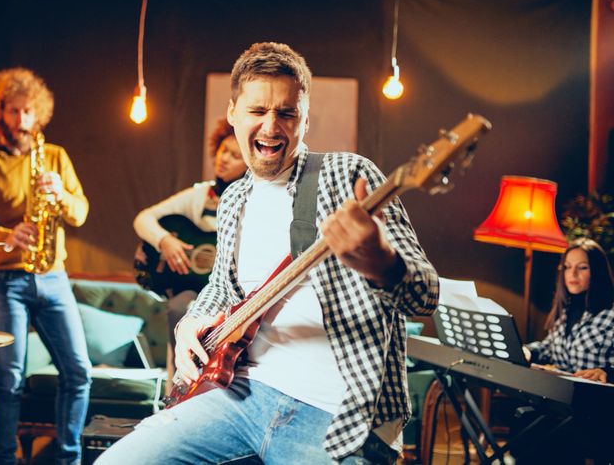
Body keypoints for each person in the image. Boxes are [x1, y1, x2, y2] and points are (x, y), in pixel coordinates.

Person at [98, 42, 439, 465]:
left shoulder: (350, 176)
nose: (271, 126)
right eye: (258, 111)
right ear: (234, 114)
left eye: (287, 113)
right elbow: (222, 288)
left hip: (338, 413)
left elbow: (425, 297)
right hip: (238, 396)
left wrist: (382, 262)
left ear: (305, 119)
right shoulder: (234, 199)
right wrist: (190, 325)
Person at [0, 67, 91, 465]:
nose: (21, 121)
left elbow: (81, 212)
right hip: (4, 281)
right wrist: (5, 235)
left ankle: (68, 458)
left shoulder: (55, 156)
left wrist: (61, 193)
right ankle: (5, 459)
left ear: (40, 114)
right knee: (11, 378)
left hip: (52, 276)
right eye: (13, 112)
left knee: (79, 372)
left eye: (27, 112)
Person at [133, 118, 247, 363]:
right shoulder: (199, 194)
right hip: (191, 288)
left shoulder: (251, 201)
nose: (225, 158)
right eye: (223, 151)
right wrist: (164, 241)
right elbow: (143, 219)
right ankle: (179, 380)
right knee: (177, 309)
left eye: (235, 156)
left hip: (231, 294)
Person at [524, 237, 614, 382]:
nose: (573, 273)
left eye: (583, 267)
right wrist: (527, 351)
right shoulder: (565, 308)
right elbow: (548, 348)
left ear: (597, 271)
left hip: (598, 399)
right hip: (560, 396)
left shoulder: (610, 313)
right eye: (567, 267)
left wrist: (607, 373)